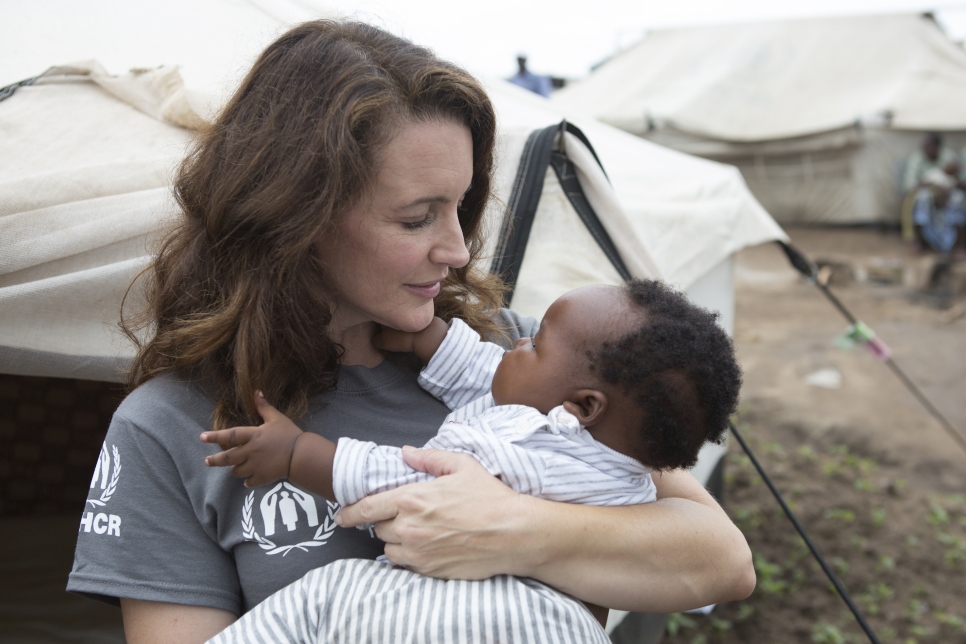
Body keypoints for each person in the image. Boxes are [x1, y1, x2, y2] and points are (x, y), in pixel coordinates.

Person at [67, 19, 754, 643]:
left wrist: (510, 530)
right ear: (295, 217)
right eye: (416, 217)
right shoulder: (170, 427)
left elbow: (720, 562)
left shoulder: (512, 361)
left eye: (460, 206)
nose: (457, 249)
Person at [200, 279, 743, 642]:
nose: (518, 339)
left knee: (319, 598)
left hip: (488, 614)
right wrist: (432, 341)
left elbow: (411, 483)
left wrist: (299, 455)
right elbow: (489, 374)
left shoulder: (534, 449)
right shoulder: (597, 440)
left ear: (580, 408)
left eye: (535, 342)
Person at [901, 133, 959, 243]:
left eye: (929, 146)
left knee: (957, 200)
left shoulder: (949, 157)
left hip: (947, 195)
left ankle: (956, 243)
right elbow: (909, 184)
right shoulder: (916, 159)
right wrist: (930, 185)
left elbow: (955, 179)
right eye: (924, 147)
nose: (926, 150)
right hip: (925, 194)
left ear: (938, 147)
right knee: (921, 199)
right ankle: (916, 240)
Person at [911, 167, 966, 255]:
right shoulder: (927, 197)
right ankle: (920, 244)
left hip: (950, 234)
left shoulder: (955, 198)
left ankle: (960, 248)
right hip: (932, 229)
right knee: (922, 201)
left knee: (958, 208)